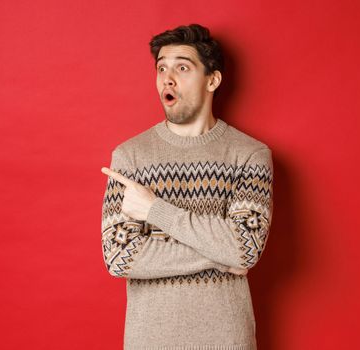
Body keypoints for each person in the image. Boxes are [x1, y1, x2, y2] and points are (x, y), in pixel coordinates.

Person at [101, 23, 274, 350]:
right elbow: (120, 257)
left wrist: (155, 210)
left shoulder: (250, 155)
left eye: (182, 67)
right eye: (161, 68)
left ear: (213, 80)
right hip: (149, 341)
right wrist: (223, 255)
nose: (167, 77)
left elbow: (245, 248)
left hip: (227, 341)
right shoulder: (129, 157)